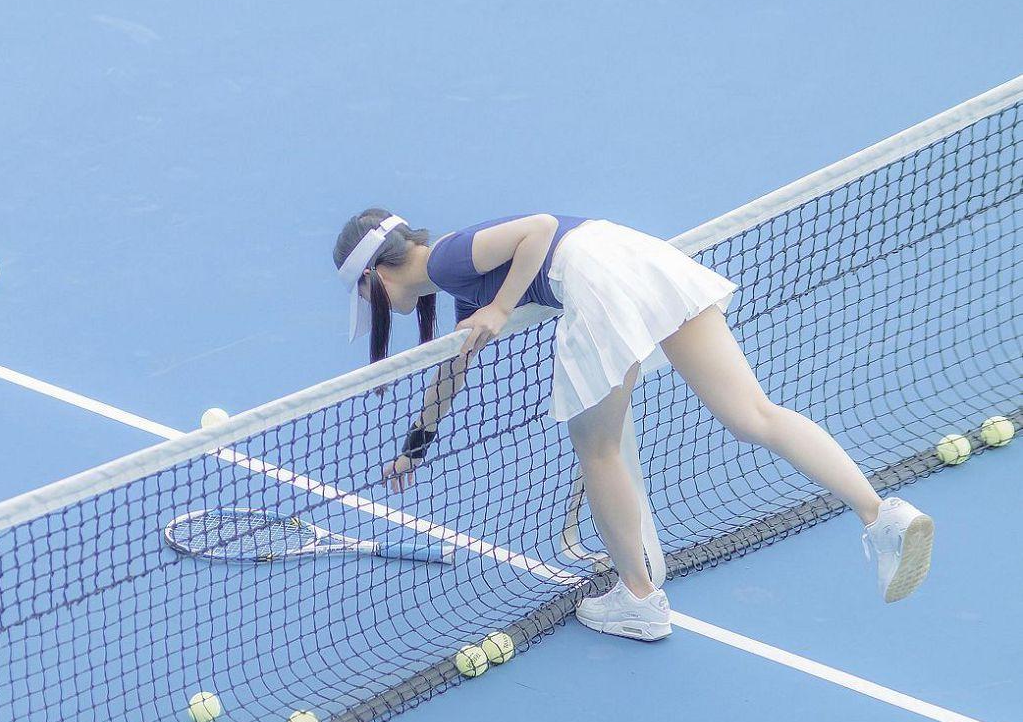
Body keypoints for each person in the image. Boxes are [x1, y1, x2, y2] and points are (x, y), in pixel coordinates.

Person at [331, 209, 934, 640]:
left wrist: (502, 305)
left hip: (596, 280)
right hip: (639, 260)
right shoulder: (457, 281)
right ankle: (882, 515)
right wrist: (416, 448)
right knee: (755, 416)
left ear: (375, 276)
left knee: (597, 452)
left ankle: (639, 599)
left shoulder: (448, 257)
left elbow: (538, 230)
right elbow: (451, 372)